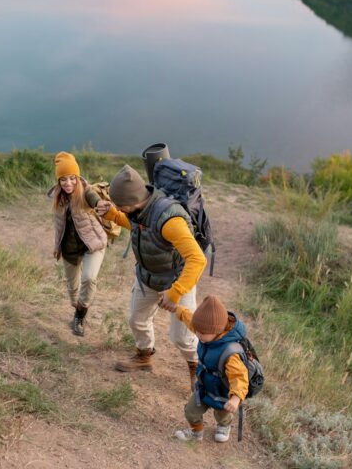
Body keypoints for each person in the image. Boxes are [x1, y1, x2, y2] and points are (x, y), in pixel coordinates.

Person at [95, 164, 206, 389]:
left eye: (120, 206)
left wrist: (175, 293)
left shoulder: (170, 220)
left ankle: (198, 369)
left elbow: (197, 259)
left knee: (182, 337)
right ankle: (144, 356)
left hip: (177, 280)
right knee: (136, 320)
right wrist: (113, 215)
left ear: (132, 202)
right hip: (148, 277)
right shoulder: (140, 209)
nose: (119, 208)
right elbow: (137, 226)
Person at [168, 295, 249, 443]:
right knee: (191, 411)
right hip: (204, 386)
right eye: (197, 331)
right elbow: (190, 320)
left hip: (223, 391)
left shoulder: (230, 353)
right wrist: (178, 309)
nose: (198, 335)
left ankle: (224, 426)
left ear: (218, 331)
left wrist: (236, 398)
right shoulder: (205, 331)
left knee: (222, 413)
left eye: (202, 333)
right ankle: (196, 432)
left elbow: (240, 377)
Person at [48, 152, 107, 336]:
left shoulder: (85, 190)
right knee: (73, 291)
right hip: (69, 249)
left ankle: (80, 317)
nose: (68, 183)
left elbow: (94, 199)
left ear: (77, 177)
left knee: (89, 278)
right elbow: (59, 227)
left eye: (72, 178)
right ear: (58, 181)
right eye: (63, 179)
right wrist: (57, 247)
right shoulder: (57, 196)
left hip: (93, 245)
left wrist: (100, 204)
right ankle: (77, 309)